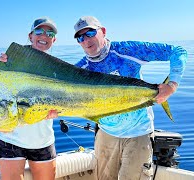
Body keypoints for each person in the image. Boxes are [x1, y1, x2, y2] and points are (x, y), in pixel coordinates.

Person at [73, 16, 187, 180]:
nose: (86, 40)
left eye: (90, 33)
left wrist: (172, 85)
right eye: (80, 37)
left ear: (103, 31)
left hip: (138, 133)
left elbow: (178, 51)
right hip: (106, 135)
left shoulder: (128, 51)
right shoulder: (80, 70)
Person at [0, 17, 58, 180]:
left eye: (49, 33)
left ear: (54, 40)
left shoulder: (57, 68)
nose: (44, 36)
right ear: (30, 36)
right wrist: (0, 69)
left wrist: (59, 110)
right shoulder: (11, 59)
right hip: (10, 138)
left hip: (42, 139)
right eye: (39, 31)